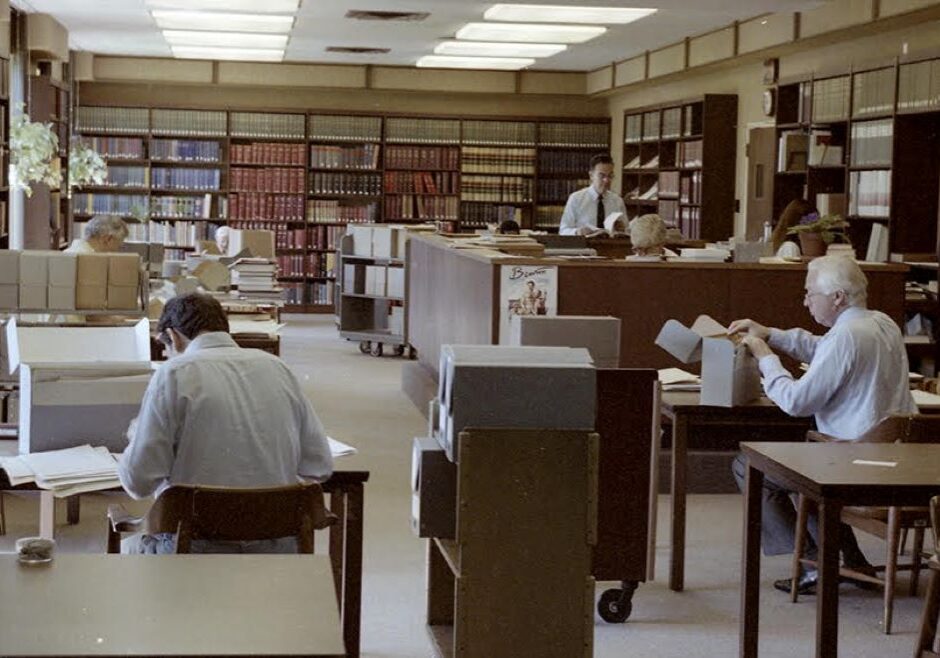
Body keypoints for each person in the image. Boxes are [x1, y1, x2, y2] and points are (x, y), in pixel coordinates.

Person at [729, 255, 916, 594]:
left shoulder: (845, 336)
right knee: (805, 461)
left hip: (854, 464)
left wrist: (765, 358)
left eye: (810, 293)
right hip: (896, 460)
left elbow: (797, 403)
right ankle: (850, 559)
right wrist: (771, 334)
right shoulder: (881, 322)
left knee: (749, 466)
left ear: (838, 297)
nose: (805, 300)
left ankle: (815, 562)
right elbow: (824, 349)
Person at [118, 292, 333, 553]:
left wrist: (135, 437)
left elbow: (138, 483)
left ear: (173, 337)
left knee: (127, 548)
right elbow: (319, 465)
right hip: (277, 547)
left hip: (195, 549)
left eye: (166, 349)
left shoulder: (173, 373)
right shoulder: (277, 368)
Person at [558, 154, 626, 236]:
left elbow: (627, 231)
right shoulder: (576, 199)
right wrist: (577, 232)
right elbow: (563, 230)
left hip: (610, 247)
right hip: (584, 246)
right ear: (591, 175)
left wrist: (622, 229)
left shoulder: (617, 201)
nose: (606, 180)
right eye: (602, 176)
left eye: (610, 176)